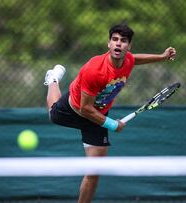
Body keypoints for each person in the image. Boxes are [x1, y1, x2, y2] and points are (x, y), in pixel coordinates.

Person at [44, 23, 176, 203]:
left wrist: (161, 57)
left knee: (95, 171)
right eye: (114, 40)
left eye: (123, 41)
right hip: (75, 108)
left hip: (96, 116)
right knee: (52, 112)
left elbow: (135, 59)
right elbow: (85, 108)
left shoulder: (127, 59)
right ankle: (52, 79)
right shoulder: (95, 70)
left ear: (128, 46)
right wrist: (112, 124)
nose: (118, 44)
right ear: (108, 44)